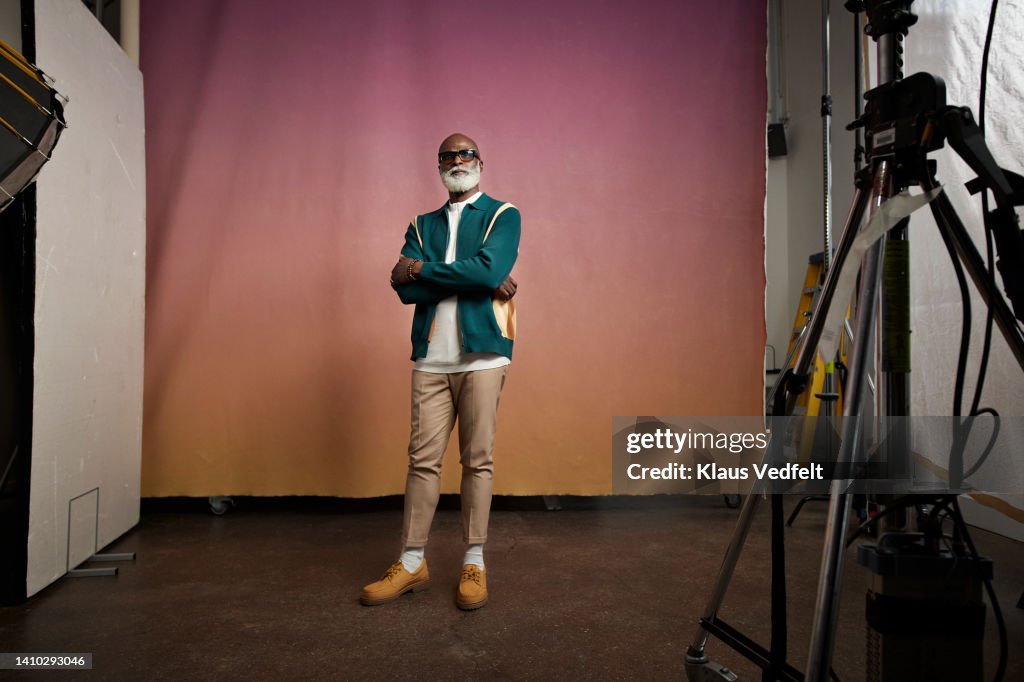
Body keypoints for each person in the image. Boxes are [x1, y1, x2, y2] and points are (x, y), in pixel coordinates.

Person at [360, 133, 520, 610]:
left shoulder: (502, 215)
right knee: (422, 462)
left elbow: (488, 272)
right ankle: (412, 562)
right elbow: (403, 290)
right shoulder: (421, 222)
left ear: (480, 163)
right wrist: (471, 275)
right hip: (431, 357)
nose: (456, 161)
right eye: (447, 156)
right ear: (438, 168)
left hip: (484, 357)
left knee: (478, 460)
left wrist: (422, 270)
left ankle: (474, 561)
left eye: (465, 153)